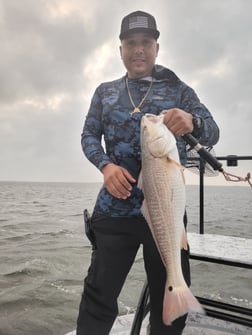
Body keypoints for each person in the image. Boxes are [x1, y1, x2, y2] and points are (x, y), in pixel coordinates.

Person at [77, 10, 219, 335]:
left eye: (145, 42)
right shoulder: (105, 91)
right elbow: (88, 136)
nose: (138, 49)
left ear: (157, 47)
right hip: (114, 210)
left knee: (170, 303)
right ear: (121, 49)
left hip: (165, 212)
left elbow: (212, 132)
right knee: (97, 297)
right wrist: (106, 165)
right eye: (131, 43)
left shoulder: (179, 89)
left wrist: (193, 122)